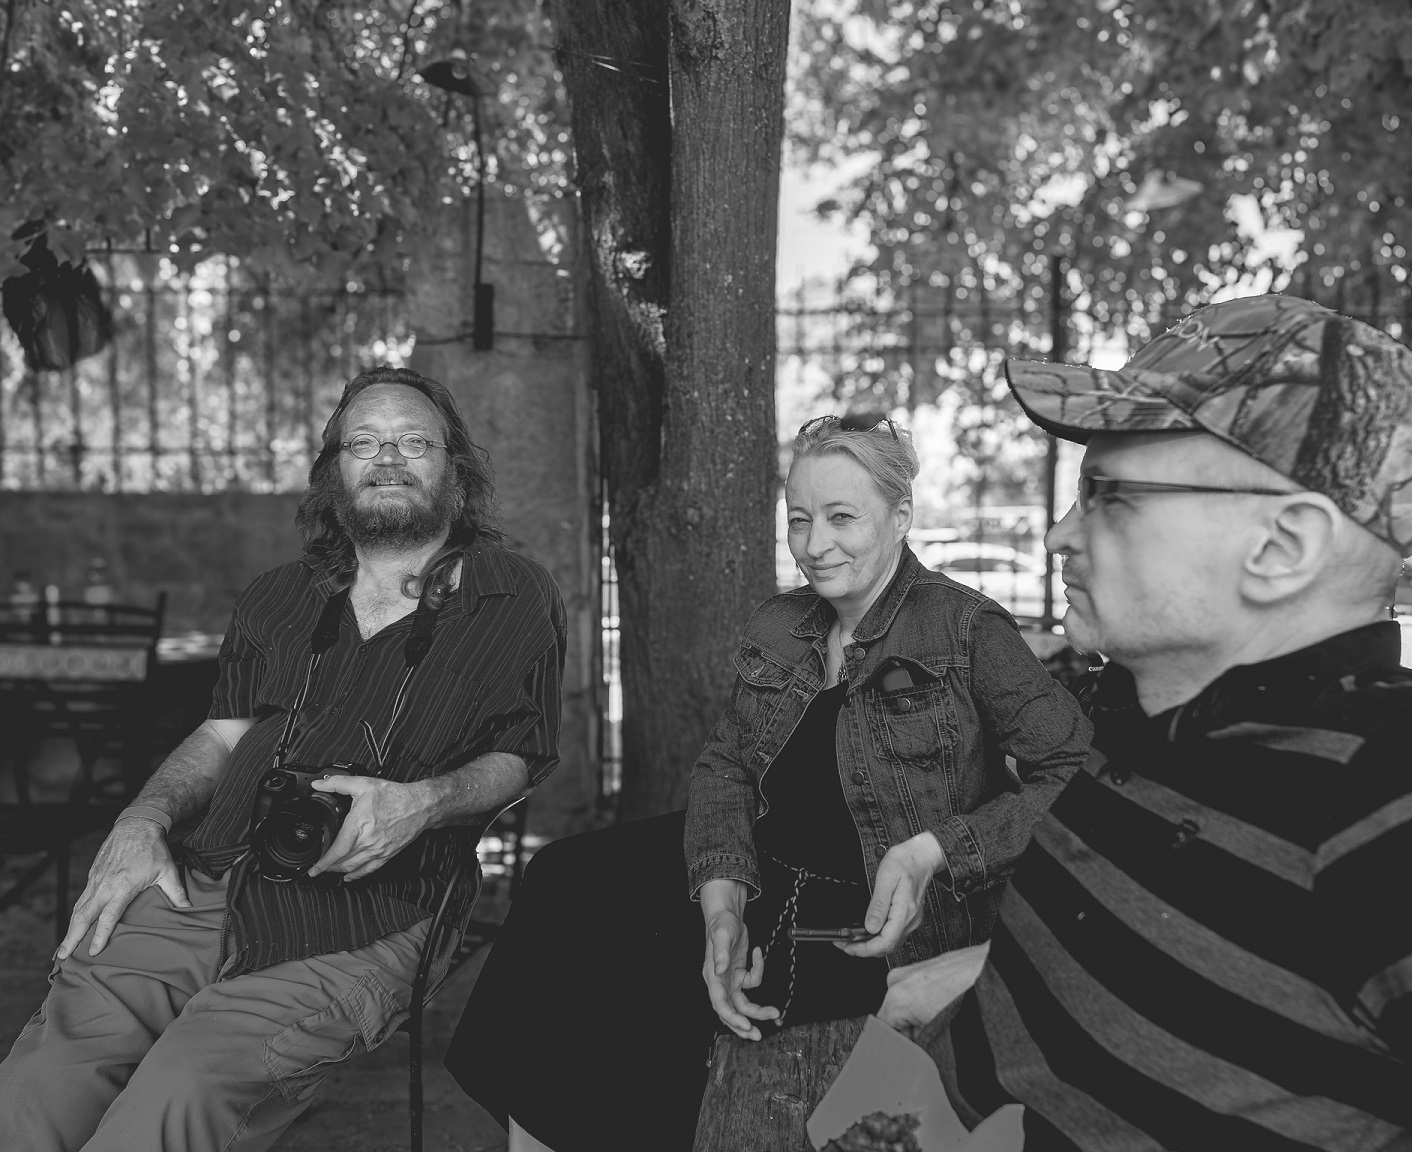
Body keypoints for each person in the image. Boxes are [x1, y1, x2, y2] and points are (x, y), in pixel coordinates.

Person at [876, 293, 1412, 1152]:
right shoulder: (1140, 707)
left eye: (1110, 496)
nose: (1058, 535)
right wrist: (978, 972)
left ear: (1281, 547)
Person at [447, 413, 1091, 1152]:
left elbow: (1073, 772)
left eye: (842, 518)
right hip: (763, 863)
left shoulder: (968, 630)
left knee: (657, 984)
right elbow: (726, 766)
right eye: (800, 520)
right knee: (565, 880)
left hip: (874, 906)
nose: (815, 545)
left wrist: (935, 850)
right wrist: (721, 895)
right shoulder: (781, 626)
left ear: (900, 517)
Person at [0, 365, 567, 1152]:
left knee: (183, 1089)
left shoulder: (512, 593)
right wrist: (143, 817)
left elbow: (520, 752)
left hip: (371, 911)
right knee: (40, 1081)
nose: (388, 458)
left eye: (413, 441)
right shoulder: (277, 594)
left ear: (456, 469)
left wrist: (420, 804)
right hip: (203, 876)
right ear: (335, 470)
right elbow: (222, 732)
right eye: (363, 443)